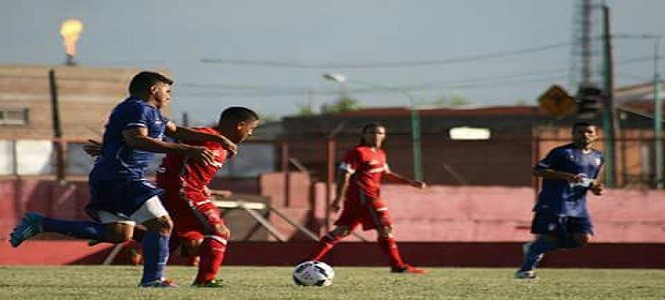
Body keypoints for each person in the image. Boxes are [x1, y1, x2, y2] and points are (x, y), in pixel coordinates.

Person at [9, 71, 237, 288]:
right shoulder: (136, 109)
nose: (168, 96)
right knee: (162, 224)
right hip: (122, 176)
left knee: (117, 234)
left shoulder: (152, 113)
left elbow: (177, 130)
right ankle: (153, 280)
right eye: (167, 91)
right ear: (153, 89)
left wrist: (219, 139)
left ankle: (40, 223)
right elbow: (137, 139)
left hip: (112, 176)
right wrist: (188, 150)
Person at [85, 106, 259, 288]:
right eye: (251, 128)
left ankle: (119, 234)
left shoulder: (226, 148)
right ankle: (205, 280)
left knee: (184, 242)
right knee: (218, 231)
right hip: (182, 192)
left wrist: (206, 188)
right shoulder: (203, 135)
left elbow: (193, 169)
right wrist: (110, 149)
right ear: (240, 125)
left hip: (181, 192)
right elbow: (154, 140)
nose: (251, 133)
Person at [306, 122, 428, 274]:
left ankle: (308, 263)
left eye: (379, 133)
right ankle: (398, 266)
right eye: (371, 133)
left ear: (384, 136)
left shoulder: (381, 154)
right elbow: (344, 174)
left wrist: (409, 182)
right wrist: (338, 198)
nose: (375, 136)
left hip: (359, 202)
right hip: (367, 199)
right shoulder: (357, 153)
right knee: (385, 228)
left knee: (341, 231)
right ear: (364, 135)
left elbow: (386, 174)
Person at [515, 122, 604, 279]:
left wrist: (596, 188)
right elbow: (538, 170)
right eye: (580, 132)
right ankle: (525, 271)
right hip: (554, 202)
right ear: (573, 134)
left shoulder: (598, 157)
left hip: (578, 206)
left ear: (596, 135)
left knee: (583, 239)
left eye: (589, 132)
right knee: (549, 237)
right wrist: (566, 176)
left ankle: (535, 248)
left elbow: (589, 181)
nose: (585, 135)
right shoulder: (561, 152)